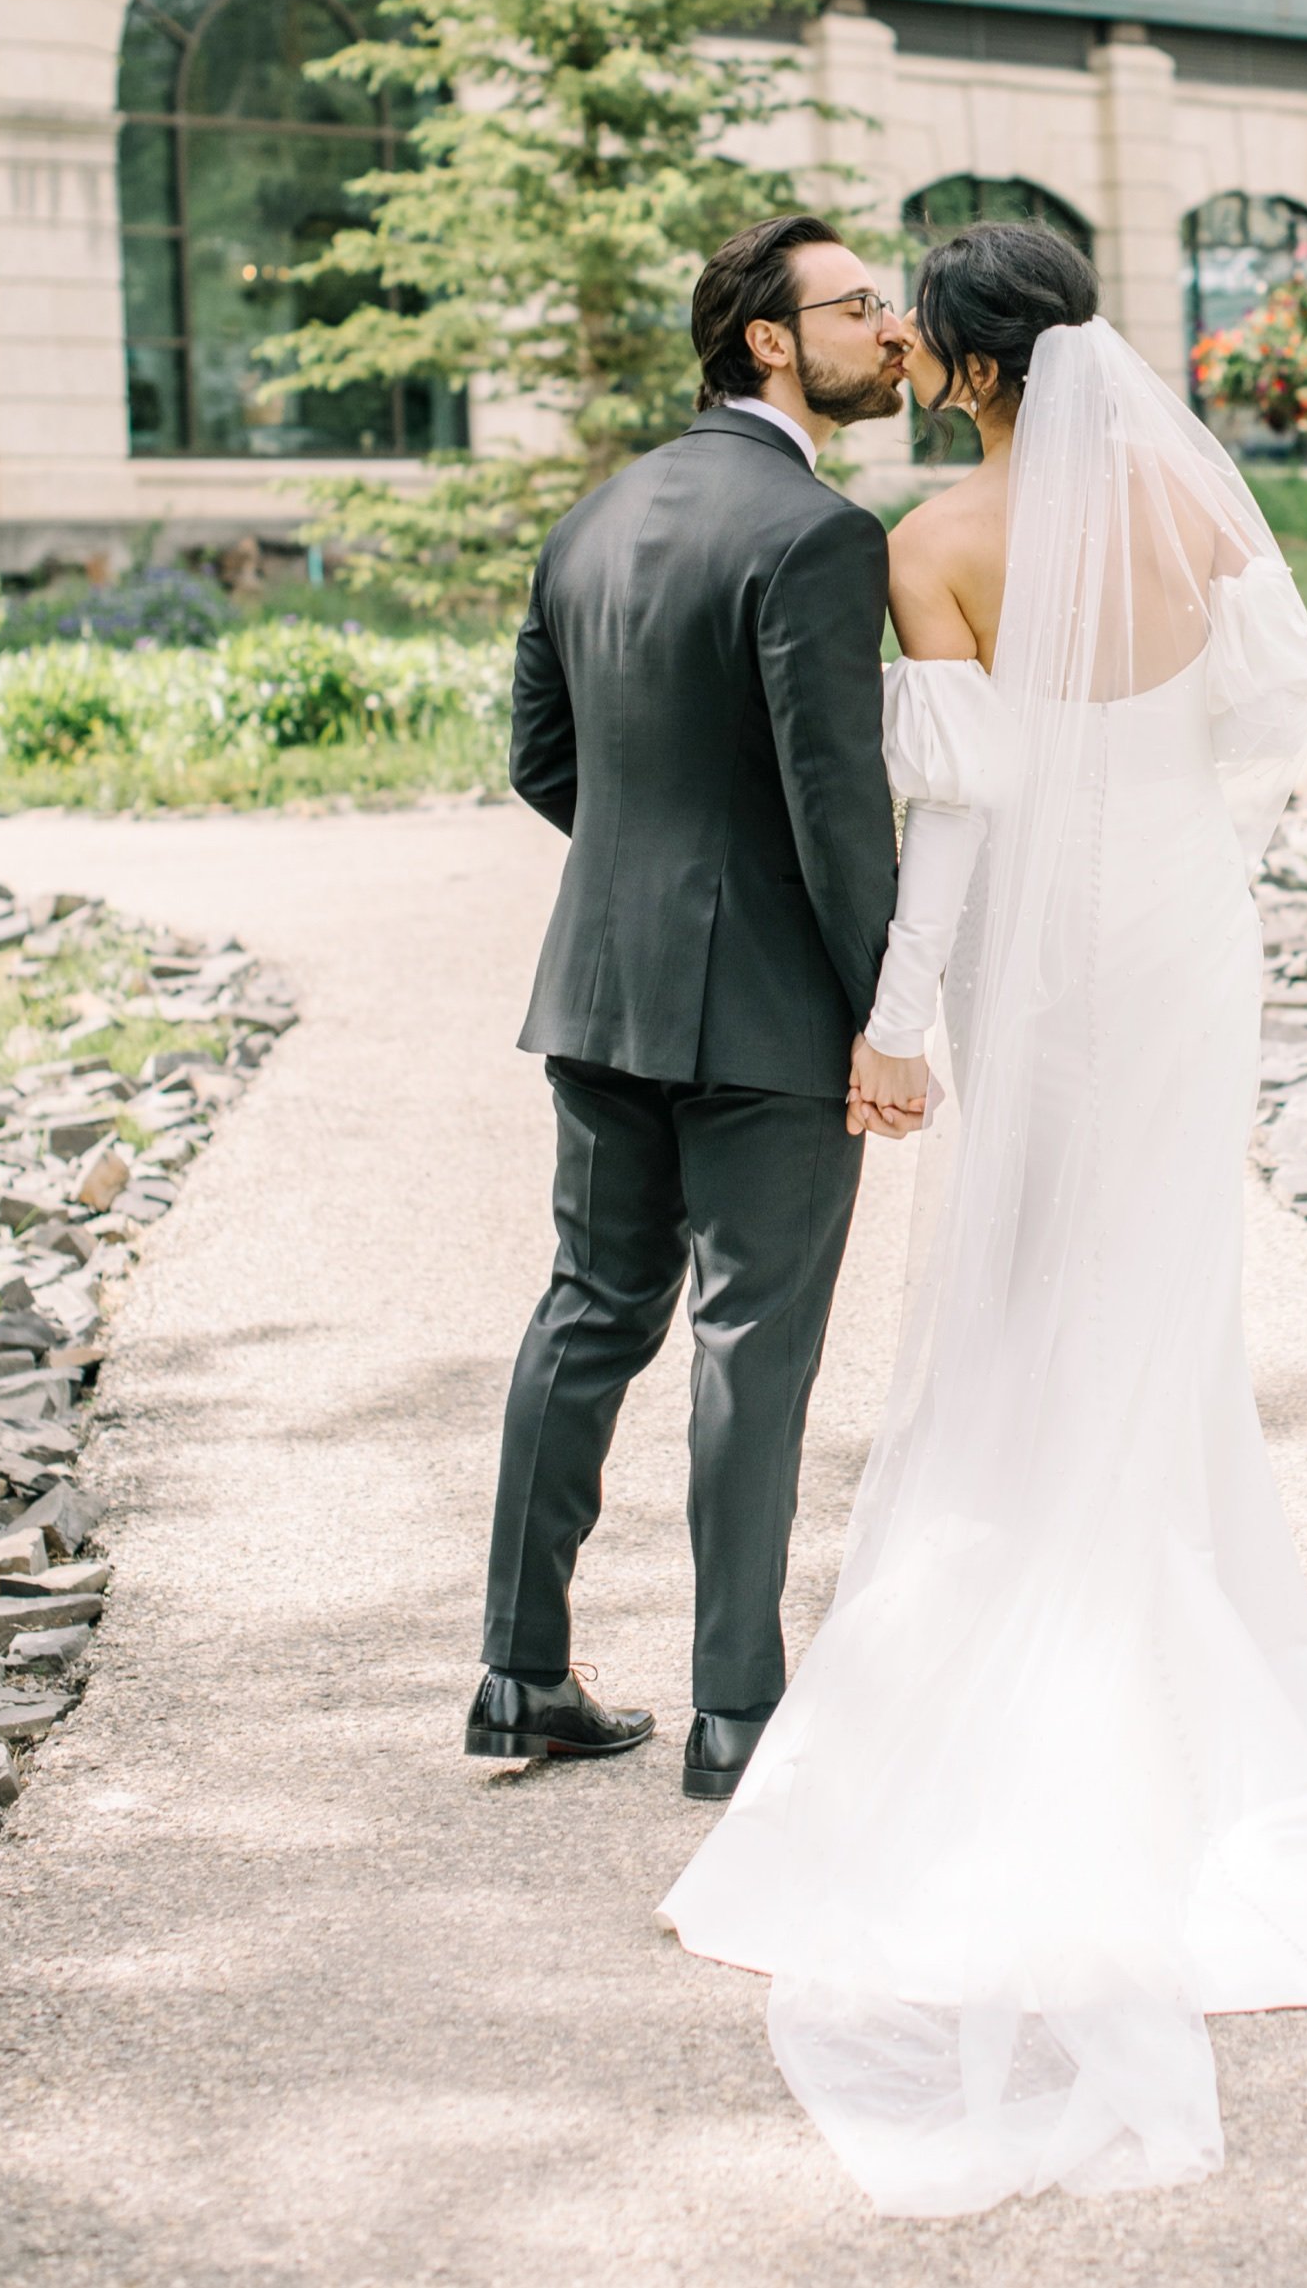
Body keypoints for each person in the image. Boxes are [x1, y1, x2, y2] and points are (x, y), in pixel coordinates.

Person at [660, 222, 1307, 2218]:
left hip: (1046, 966)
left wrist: (897, 1024)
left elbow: (956, 822)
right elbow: (1275, 701)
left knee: (1026, 1295)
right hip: (1183, 936)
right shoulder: (1190, 515)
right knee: (1162, 1297)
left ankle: (1061, 1672)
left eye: (915, 325)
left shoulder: (932, 546)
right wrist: (1188, 846)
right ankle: (1244, 1694)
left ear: (967, 372)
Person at [468, 213, 930, 1799]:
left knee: (587, 1311)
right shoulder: (817, 535)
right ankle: (738, 1712)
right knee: (753, 1339)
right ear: (768, 343)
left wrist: (646, 883)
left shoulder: (589, 519)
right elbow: (831, 804)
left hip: (596, 990)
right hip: (770, 1021)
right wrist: (893, 1008)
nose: (887, 325)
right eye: (855, 304)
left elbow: (543, 761)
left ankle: (518, 1673)